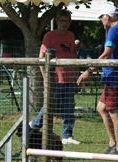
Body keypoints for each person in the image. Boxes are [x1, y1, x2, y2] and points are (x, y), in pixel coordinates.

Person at [77, 3, 118, 155]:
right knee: (101, 108)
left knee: (114, 111)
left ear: (107, 17)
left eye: (101, 17)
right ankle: (112, 143)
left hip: (114, 77)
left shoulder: (113, 30)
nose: (101, 21)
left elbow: (106, 53)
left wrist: (88, 71)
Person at [29, 10, 80, 145]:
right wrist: (45, 76)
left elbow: (73, 56)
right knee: (49, 106)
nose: (64, 24)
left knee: (69, 107)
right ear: (57, 21)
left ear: (69, 22)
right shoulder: (49, 36)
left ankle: (67, 135)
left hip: (69, 78)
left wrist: (75, 75)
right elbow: (41, 57)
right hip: (55, 78)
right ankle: (34, 125)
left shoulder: (70, 35)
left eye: (66, 21)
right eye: (61, 21)